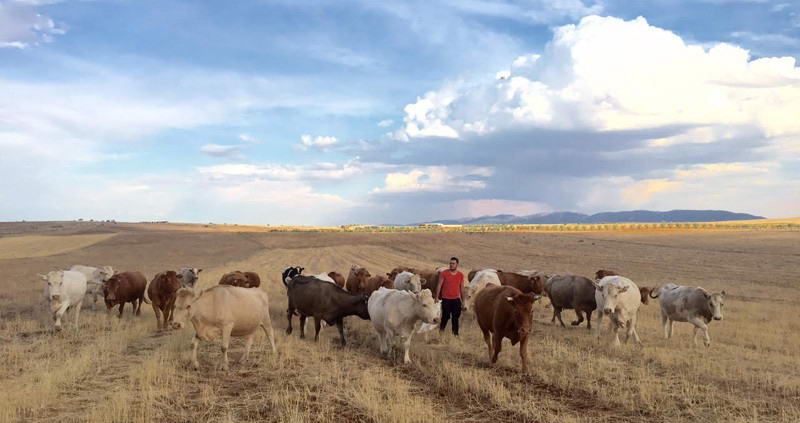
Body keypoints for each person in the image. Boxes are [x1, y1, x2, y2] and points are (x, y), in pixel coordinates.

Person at [434, 257, 465, 336]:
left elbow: (462, 289)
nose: (451, 265)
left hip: (456, 300)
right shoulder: (444, 273)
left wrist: (463, 301)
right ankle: (441, 331)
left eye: (453, 263)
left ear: (457, 264)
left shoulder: (460, 275)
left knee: (455, 318)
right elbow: (439, 285)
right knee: (445, 316)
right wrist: (436, 297)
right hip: (446, 299)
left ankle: (455, 334)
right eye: (450, 263)